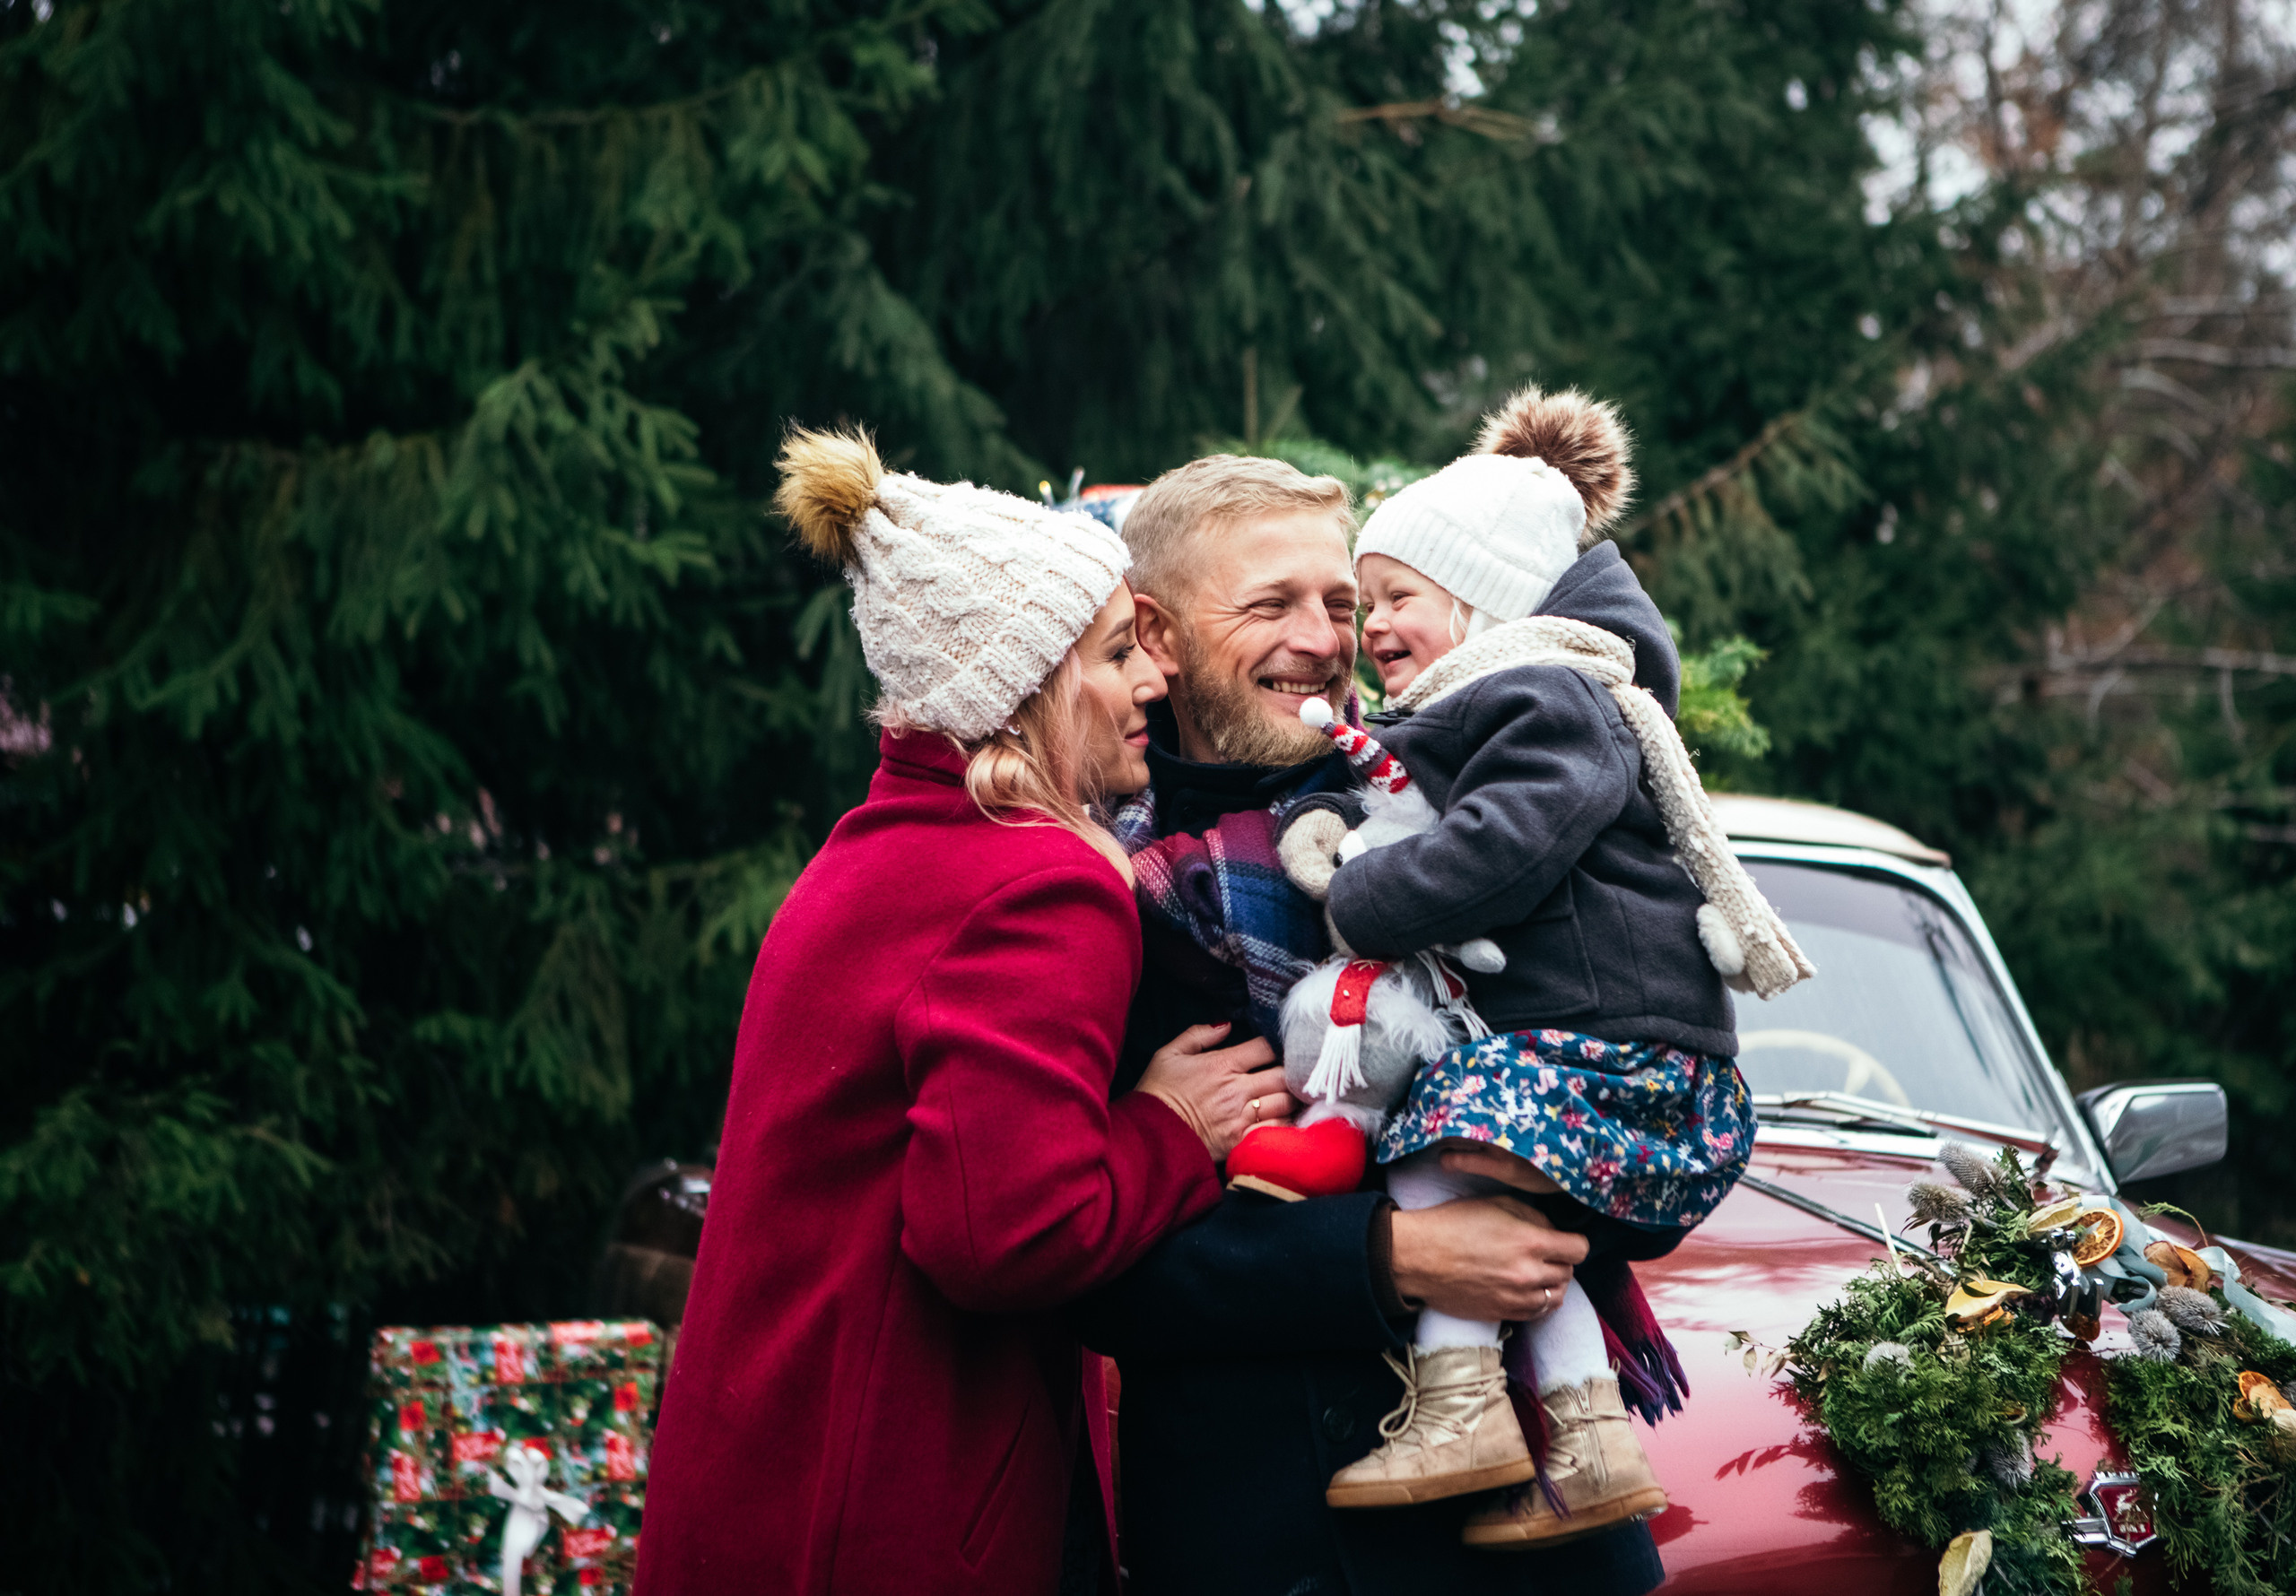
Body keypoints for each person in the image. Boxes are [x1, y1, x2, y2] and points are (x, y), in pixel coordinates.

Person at [635, 429, 1298, 1596]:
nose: (1153, 680)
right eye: (1113, 653)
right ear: (1027, 685)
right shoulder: (1038, 888)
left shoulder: (872, 854)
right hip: (898, 1511)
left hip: (767, 1491)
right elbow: (1004, 1234)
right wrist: (1172, 1132)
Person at [1069, 455, 1661, 1596]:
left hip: (1548, 1531)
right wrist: (1391, 1253)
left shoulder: (1474, 811)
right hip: (1275, 1527)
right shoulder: (1108, 886)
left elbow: (1635, 1100)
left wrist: (1551, 1188)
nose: (1324, 639)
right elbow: (1081, 1260)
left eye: (1339, 603)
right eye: (1270, 605)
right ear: (1159, 632)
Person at [1272, 386, 1810, 1544]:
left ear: (1487, 599)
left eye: (1396, 597)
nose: (1371, 628)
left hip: (1610, 1042)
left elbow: (1504, 845)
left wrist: (1362, 899)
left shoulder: (1548, 694)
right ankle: (1590, 1439)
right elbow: (1422, 793)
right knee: (1510, 1215)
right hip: (1584, 1037)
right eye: (1367, 603)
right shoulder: (1512, 694)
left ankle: (1465, 1410)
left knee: (1426, 1163)